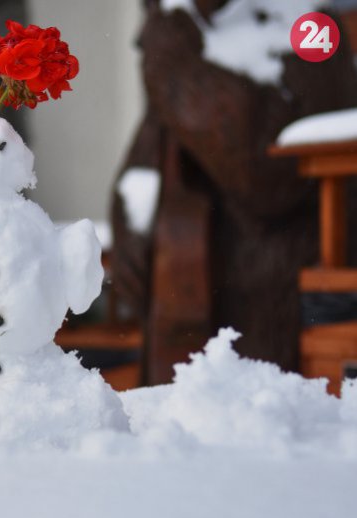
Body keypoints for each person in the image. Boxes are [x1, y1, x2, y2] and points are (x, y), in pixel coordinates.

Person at [109, 0, 357, 384]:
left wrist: (176, 67)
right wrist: (132, 212)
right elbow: (157, 138)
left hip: (275, 307)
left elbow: (271, 177)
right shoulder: (194, 29)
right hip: (189, 300)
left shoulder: (311, 25)